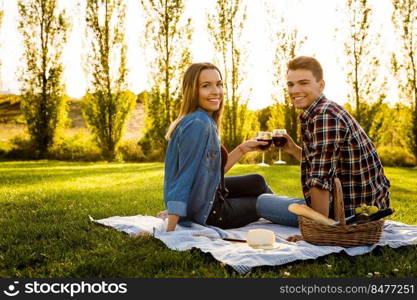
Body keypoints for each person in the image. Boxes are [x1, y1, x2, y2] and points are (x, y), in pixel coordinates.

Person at [258, 56, 391, 230]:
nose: (295, 90)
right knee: (267, 195)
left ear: (321, 85)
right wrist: (292, 149)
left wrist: (316, 228)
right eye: (290, 84)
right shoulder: (325, 110)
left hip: (348, 215)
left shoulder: (324, 117)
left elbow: (320, 180)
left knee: (262, 202)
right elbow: (322, 163)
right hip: (366, 205)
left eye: (303, 83)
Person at [162, 62, 275, 232]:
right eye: (206, 86)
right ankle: (306, 216)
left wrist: (243, 148)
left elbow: (211, 172)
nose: (216, 91)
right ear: (193, 91)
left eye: (219, 84)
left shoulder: (198, 119)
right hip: (212, 212)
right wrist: (170, 227)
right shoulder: (199, 124)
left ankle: (285, 206)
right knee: (265, 202)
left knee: (258, 182)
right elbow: (183, 178)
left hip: (207, 194)